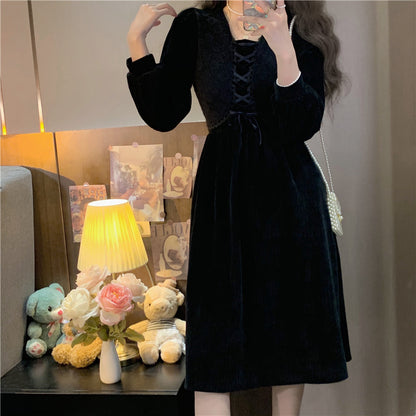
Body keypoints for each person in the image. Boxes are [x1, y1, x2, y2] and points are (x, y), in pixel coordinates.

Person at [125, 1, 352, 415]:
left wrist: (283, 48)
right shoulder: (196, 26)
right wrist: (136, 42)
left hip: (290, 204)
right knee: (215, 343)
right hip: (222, 203)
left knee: (289, 336)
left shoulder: (300, 27)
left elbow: (299, 124)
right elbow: (164, 112)